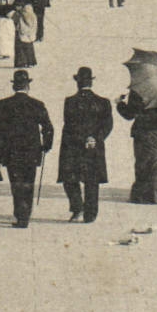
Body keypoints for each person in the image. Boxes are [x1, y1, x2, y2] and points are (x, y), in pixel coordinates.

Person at [0, 70, 55, 228]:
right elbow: (48, 127)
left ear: (14, 86)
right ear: (27, 86)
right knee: (28, 182)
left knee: (16, 183)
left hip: (11, 151)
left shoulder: (3, 104)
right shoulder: (37, 104)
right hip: (32, 151)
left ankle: (21, 216)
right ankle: (26, 215)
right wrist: (46, 145)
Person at [58, 66, 113, 223]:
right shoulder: (104, 102)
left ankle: (77, 208)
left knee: (70, 179)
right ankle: (90, 215)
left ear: (77, 82)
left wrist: (83, 138)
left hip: (73, 146)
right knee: (92, 180)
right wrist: (94, 138)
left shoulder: (70, 102)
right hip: (94, 146)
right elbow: (108, 125)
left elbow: (70, 124)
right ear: (91, 82)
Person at [12, 3, 37, 68]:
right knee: (29, 49)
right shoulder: (33, 16)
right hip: (30, 35)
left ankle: (21, 63)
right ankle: (30, 62)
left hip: (21, 34)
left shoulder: (20, 16)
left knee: (20, 50)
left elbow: (17, 24)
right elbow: (35, 26)